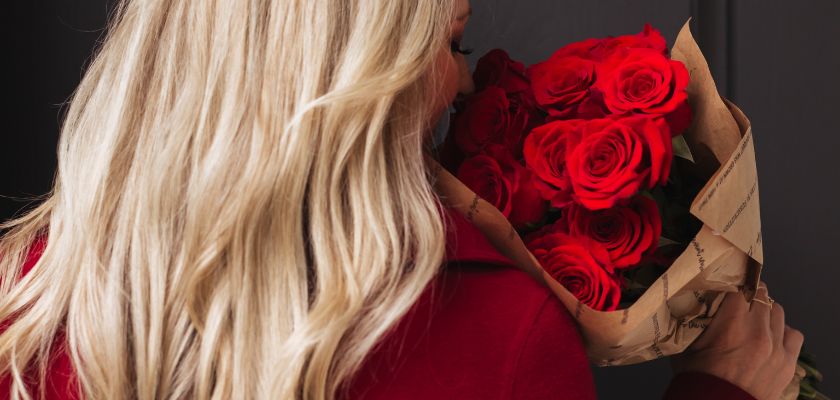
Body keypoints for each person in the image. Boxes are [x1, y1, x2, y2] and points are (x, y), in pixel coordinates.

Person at [0, 0, 803, 399]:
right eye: (448, 44)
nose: (461, 83)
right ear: (353, 69)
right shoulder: (504, 340)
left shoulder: (23, 305)